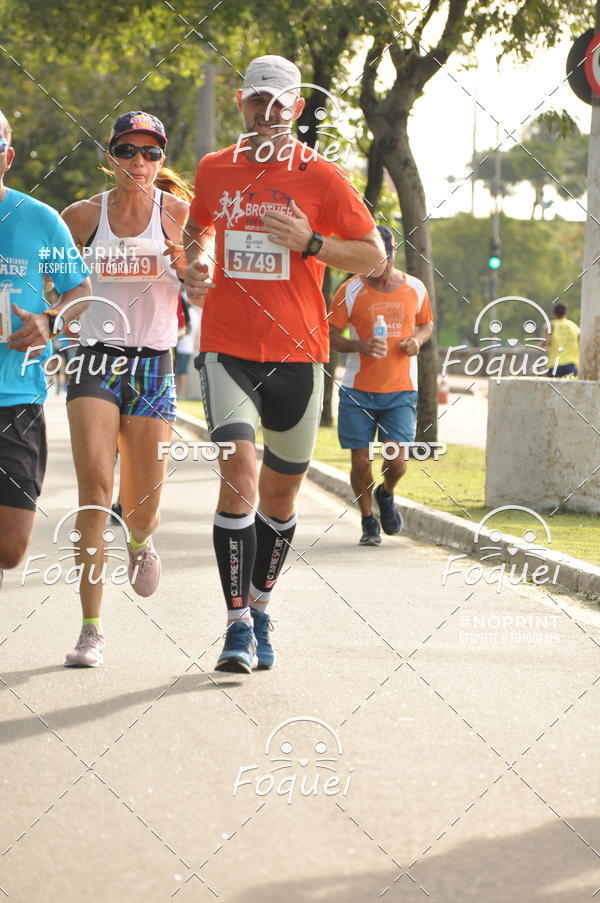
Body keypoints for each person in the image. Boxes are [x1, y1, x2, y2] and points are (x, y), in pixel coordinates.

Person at [184, 54, 386, 674]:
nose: (265, 113)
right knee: (240, 471)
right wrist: (196, 263)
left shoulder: (323, 179)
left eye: (279, 104)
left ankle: (263, 605)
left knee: (279, 497)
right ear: (242, 104)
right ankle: (236, 624)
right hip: (228, 347)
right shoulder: (215, 170)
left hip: (300, 353)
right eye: (255, 101)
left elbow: (373, 256)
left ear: (295, 110)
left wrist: (312, 243)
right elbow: (198, 231)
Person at [60, 111, 191, 667]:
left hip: (153, 365)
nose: (139, 162)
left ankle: (139, 539)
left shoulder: (178, 214)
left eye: (151, 153)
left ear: (162, 160)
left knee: (142, 506)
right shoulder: (82, 217)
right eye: (127, 151)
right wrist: (56, 314)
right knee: (94, 492)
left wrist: (198, 273)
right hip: (94, 362)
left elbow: (197, 280)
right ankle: (91, 628)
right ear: (110, 156)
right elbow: (53, 285)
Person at [0, 110, 91, 588]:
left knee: (11, 548)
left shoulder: (39, 220)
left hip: (16, 397)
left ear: (7, 156)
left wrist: (48, 320)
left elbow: (80, 290)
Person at [329, 225, 434, 546]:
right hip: (357, 390)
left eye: (380, 259)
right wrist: (359, 346)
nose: (374, 269)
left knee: (397, 460)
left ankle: (385, 494)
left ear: (392, 253)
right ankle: (367, 520)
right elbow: (330, 336)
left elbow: (426, 323)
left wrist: (417, 341)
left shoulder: (415, 288)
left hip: (400, 390)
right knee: (361, 460)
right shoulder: (349, 290)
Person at [175, 289, 201, 399]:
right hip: (185, 346)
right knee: (180, 369)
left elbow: (190, 331)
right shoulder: (194, 313)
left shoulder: (191, 314)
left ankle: (181, 394)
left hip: (184, 346)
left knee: (181, 370)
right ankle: (180, 393)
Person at [543, 302, 580, 378]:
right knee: (571, 389)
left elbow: (546, 342)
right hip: (571, 365)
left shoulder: (551, 325)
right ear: (566, 313)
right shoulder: (574, 326)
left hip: (555, 365)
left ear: (554, 313)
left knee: (552, 389)